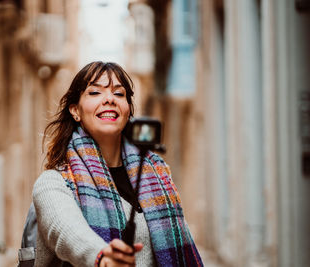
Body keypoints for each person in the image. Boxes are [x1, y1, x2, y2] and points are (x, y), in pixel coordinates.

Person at [33, 61, 203, 267]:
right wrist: (102, 257)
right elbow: (67, 232)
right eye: (95, 93)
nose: (109, 99)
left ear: (128, 109)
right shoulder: (54, 183)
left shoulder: (157, 173)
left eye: (119, 94)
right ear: (75, 110)